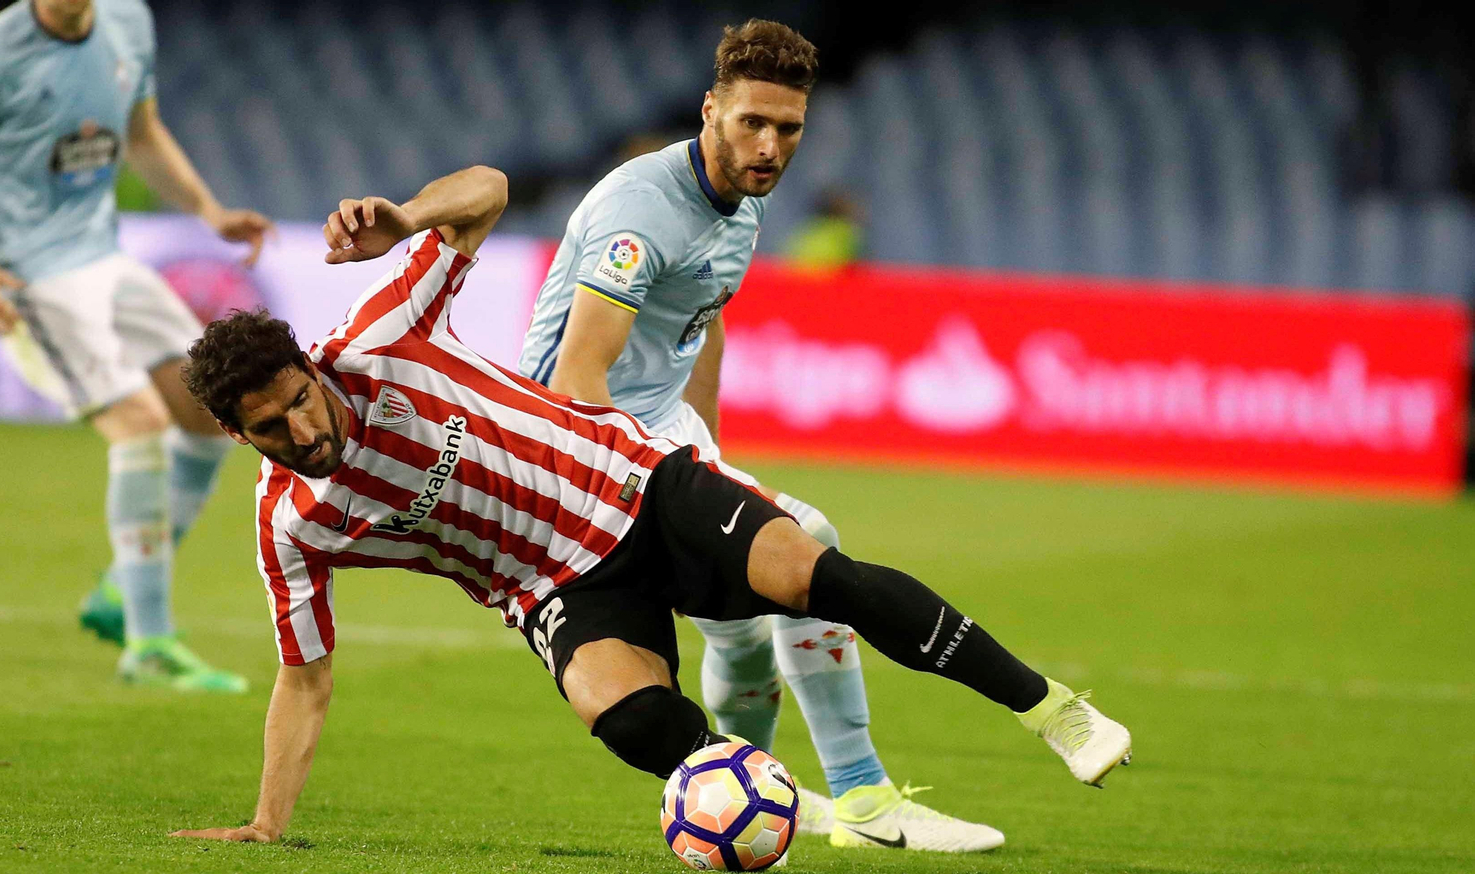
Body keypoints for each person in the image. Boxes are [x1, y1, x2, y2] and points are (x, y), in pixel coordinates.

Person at [168, 169, 1131, 845]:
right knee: (619, 716)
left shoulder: (376, 335)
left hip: (632, 484)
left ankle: (1054, 712)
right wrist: (265, 823)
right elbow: (303, 679)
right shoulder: (292, 522)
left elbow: (489, 192)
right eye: (271, 429)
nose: (302, 430)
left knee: (812, 574)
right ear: (241, 437)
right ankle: (790, 807)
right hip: (554, 587)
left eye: (299, 399)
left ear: (307, 367)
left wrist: (406, 213)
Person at [516, 18, 987, 851]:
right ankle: (859, 797)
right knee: (811, 545)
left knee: (742, 635)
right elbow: (573, 377)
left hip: (668, 431)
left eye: (789, 128)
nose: (770, 145)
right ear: (709, 111)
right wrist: (663, 485)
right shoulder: (640, 207)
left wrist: (716, 464)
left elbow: (705, 321)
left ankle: (745, 797)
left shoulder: (738, 205)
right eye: (752, 124)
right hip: (586, 447)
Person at [0, 0, 271, 691]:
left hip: (104, 259)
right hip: (30, 277)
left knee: (213, 413)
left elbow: (143, 132)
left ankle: (122, 589)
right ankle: (148, 644)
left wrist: (208, 210)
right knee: (139, 423)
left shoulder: (129, 23)